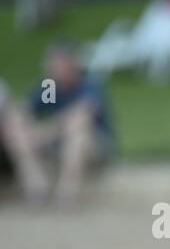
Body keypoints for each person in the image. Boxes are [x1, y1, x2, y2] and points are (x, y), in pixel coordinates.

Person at [0, 41, 114, 204]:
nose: (52, 68)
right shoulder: (51, 88)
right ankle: (37, 188)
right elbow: (25, 110)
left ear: (71, 65)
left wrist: (43, 133)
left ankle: (67, 193)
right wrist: (20, 123)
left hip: (94, 147)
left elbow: (80, 117)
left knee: (79, 133)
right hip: (58, 143)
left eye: (58, 63)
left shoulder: (89, 85)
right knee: (15, 128)